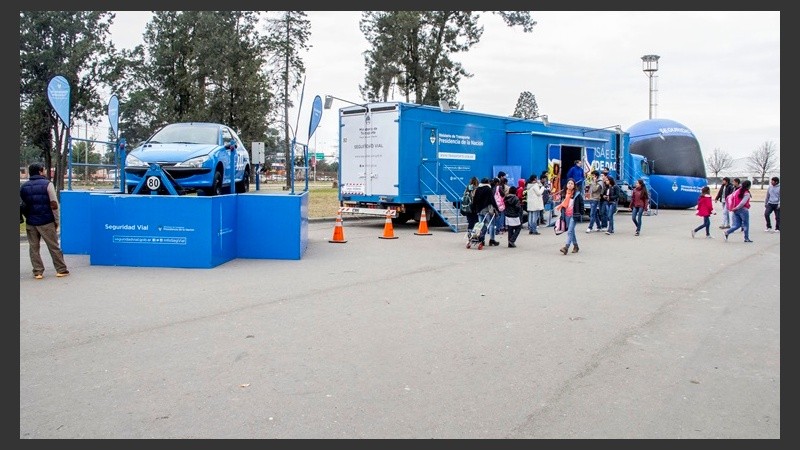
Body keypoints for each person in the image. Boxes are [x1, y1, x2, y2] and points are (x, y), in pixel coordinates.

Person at [20, 162, 70, 279]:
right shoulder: (47, 184)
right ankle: (61, 269)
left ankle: (38, 272)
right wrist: (56, 221)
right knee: (53, 246)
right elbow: (54, 204)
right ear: (40, 171)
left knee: (34, 248)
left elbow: (23, 205)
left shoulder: (24, 187)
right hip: (46, 221)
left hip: (31, 222)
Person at [554, 178, 584, 254]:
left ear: (574, 185)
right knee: (572, 231)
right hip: (566, 215)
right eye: (569, 183)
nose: (570, 185)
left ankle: (566, 247)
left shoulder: (577, 194)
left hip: (574, 215)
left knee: (570, 231)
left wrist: (580, 213)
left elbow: (581, 204)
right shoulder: (564, 194)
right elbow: (563, 205)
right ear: (566, 185)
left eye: (571, 183)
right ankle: (576, 246)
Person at [472, 177, 500, 247]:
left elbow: (475, 200)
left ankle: (482, 240)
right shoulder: (488, 189)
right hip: (487, 209)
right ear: (487, 182)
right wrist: (497, 209)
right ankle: (492, 240)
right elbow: (492, 200)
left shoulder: (478, 189)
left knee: (481, 225)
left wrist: (474, 209)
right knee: (491, 225)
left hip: (479, 210)